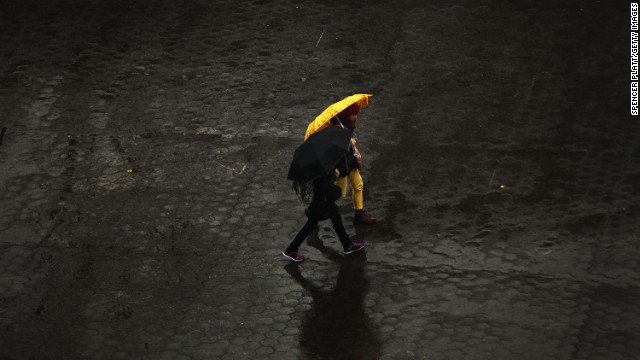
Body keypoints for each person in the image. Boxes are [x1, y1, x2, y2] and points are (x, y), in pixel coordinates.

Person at [283, 169, 365, 262]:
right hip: (320, 203)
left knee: (336, 218)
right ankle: (291, 249)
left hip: (323, 201)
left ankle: (348, 245)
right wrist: (334, 175)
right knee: (309, 226)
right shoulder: (317, 169)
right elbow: (323, 185)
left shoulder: (316, 165)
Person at [332, 103, 377, 225]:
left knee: (358, 185)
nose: (356, 117)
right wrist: (348, 141)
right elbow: (334, 147)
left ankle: (359, 215)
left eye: (356, 114)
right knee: (340, 194)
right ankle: (315, 210)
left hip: (351, 162)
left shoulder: (347, 125)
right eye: (353, 114)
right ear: (346, 115)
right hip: (342, 165)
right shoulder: (336, 127)